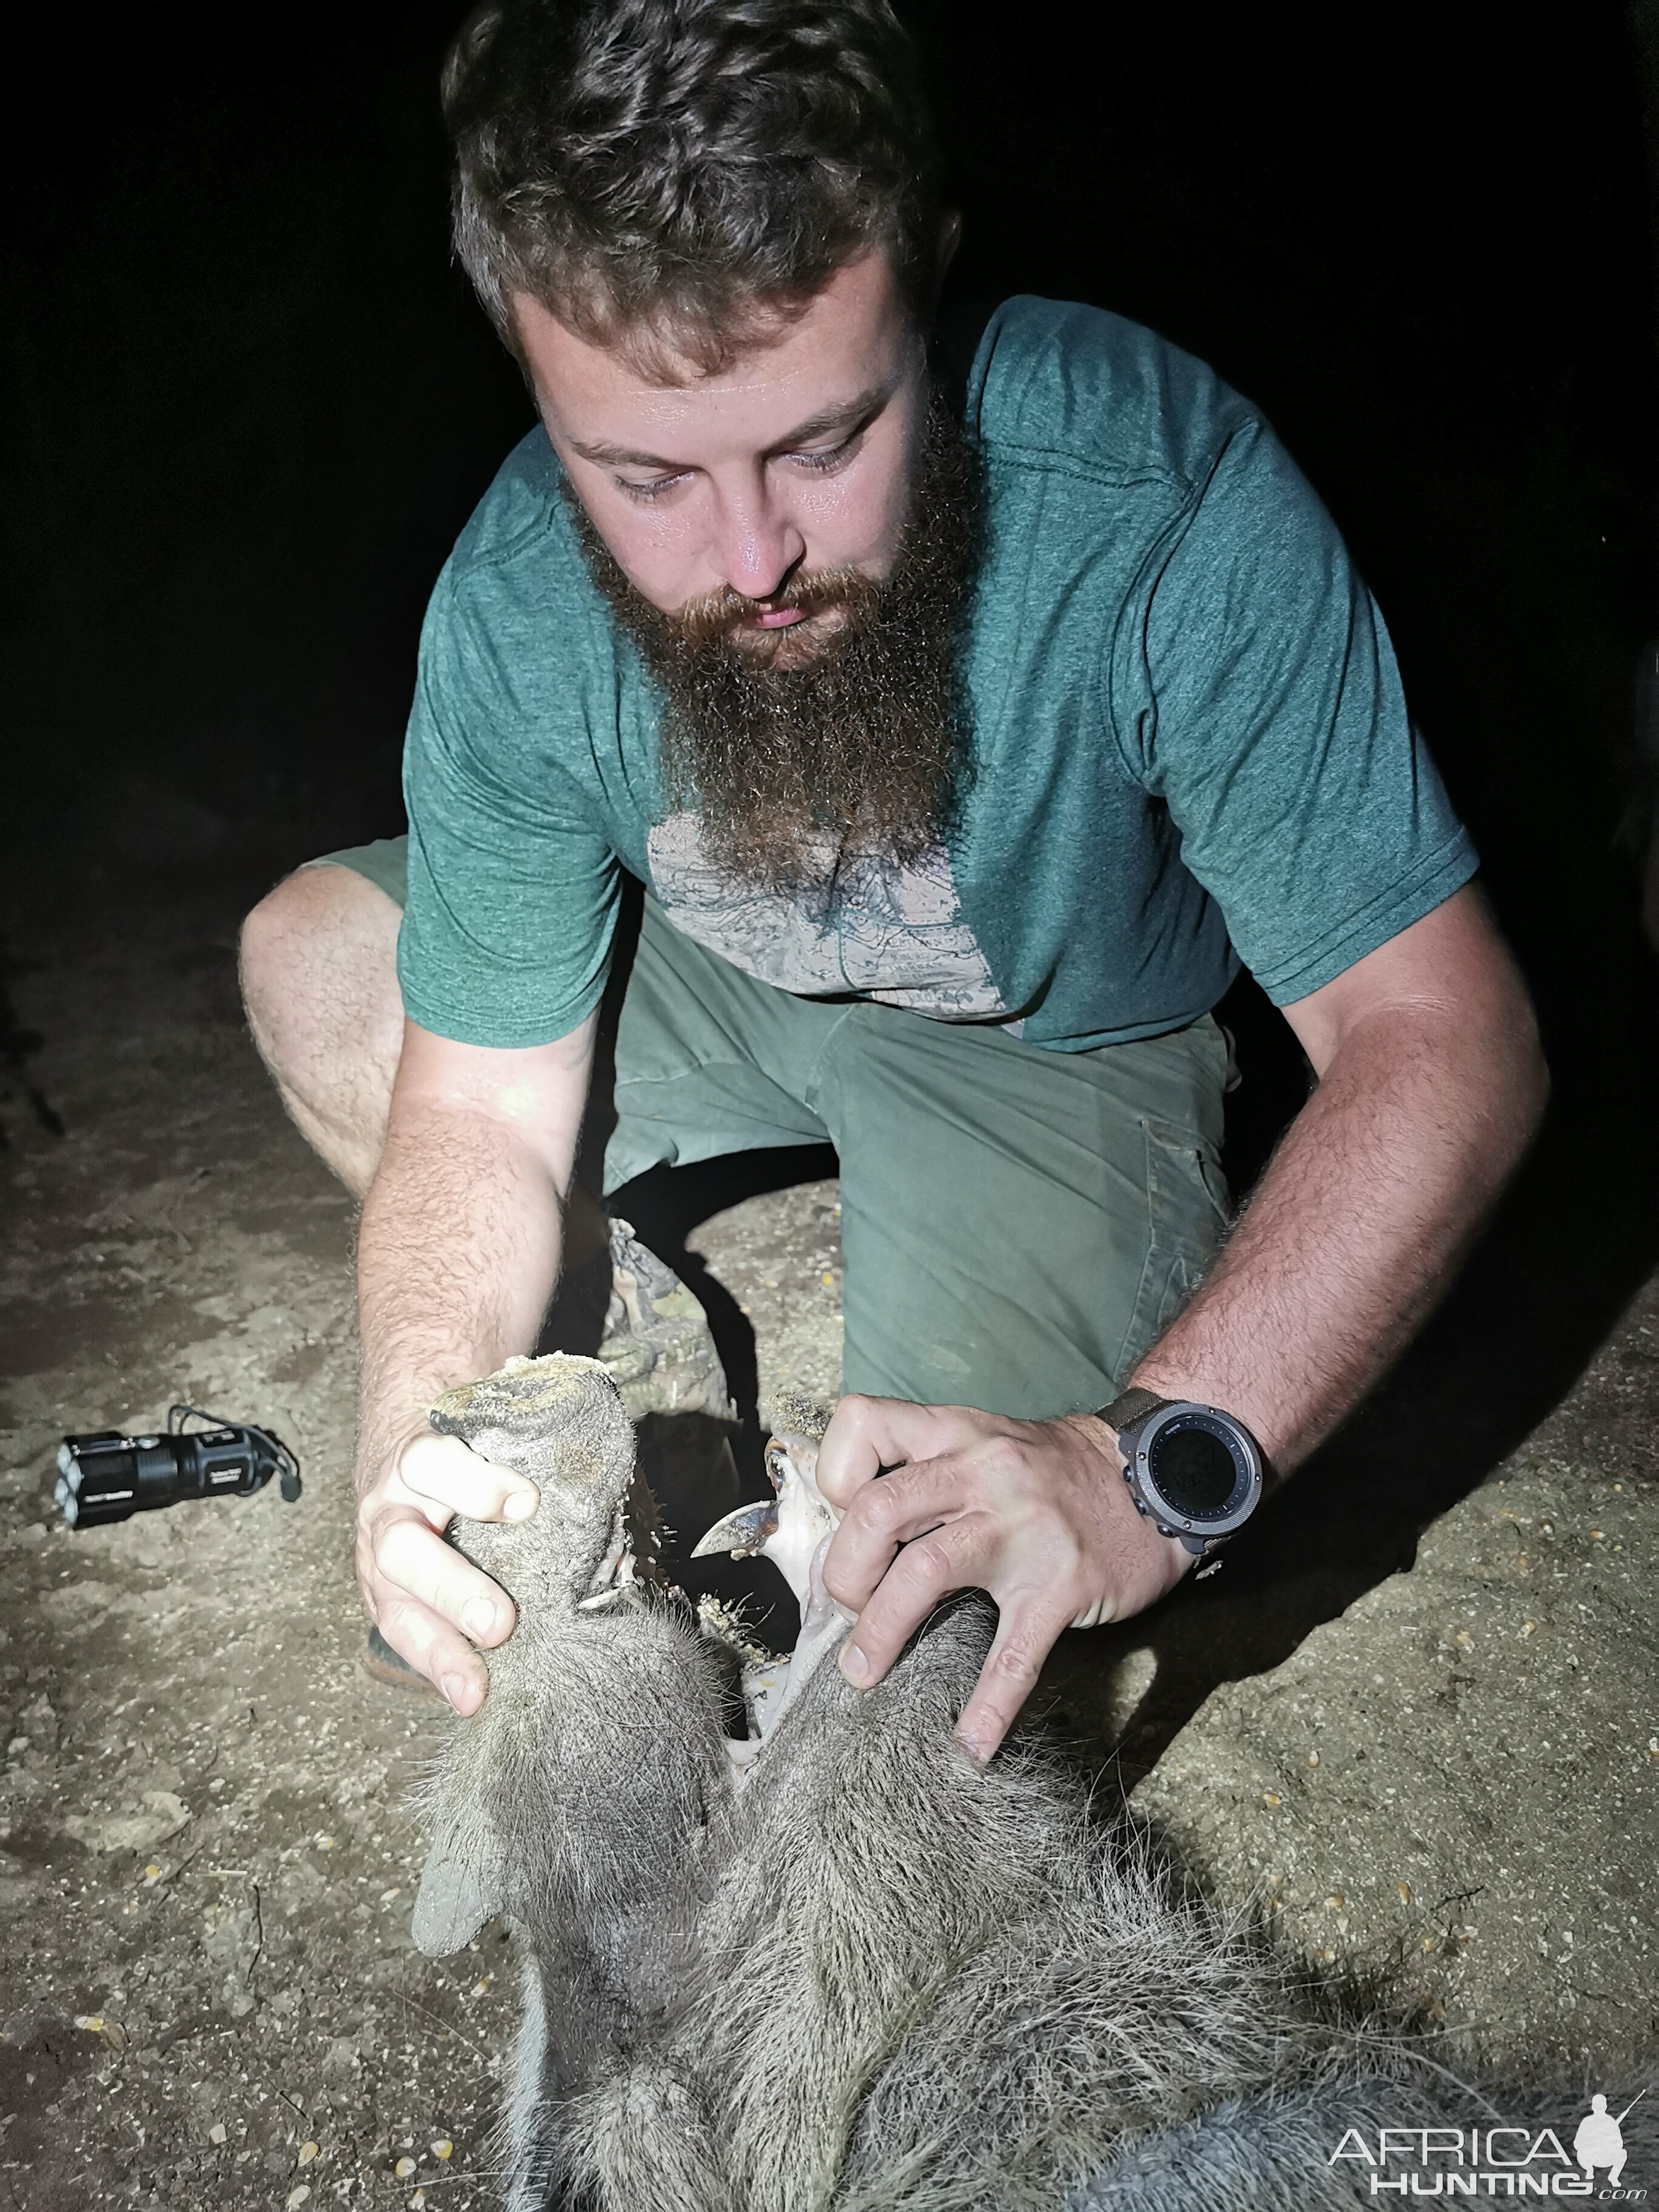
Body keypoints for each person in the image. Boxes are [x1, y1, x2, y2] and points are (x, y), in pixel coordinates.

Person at [240, 0, 1546, 1764]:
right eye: (641, 474)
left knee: (920, 1639)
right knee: (320, 961)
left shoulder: (1155, 492)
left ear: (926, 284)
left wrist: (1141, 1465)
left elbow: (1445, 1031)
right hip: (709, 969)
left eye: (826, 441)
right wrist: (420, 1429)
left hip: (1050, 1043)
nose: (751, 558)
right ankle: (622, 1371)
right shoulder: (511, 597)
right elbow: (473, 1109)